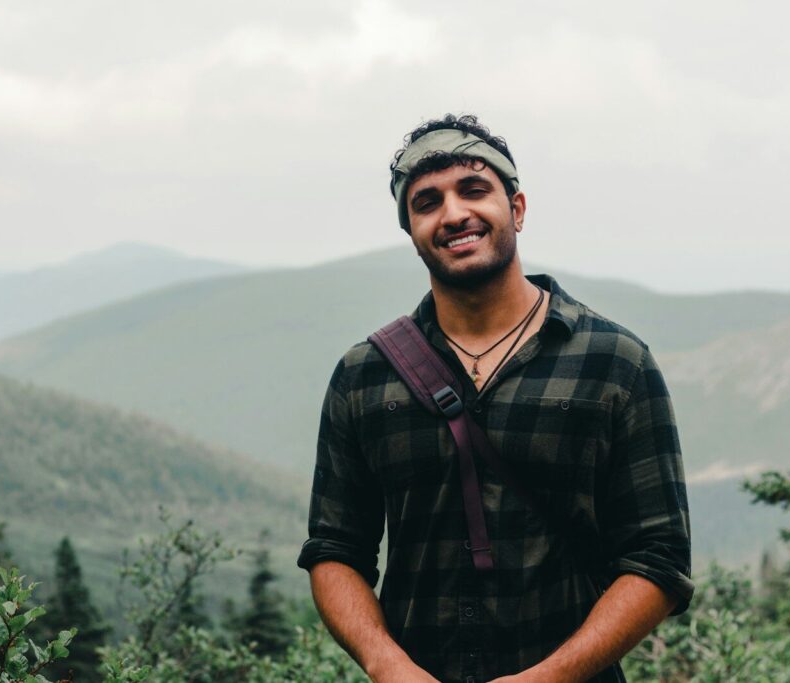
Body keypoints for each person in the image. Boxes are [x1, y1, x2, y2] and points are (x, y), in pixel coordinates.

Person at [297, 114, 693, 683]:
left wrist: (552, 676)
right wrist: (386, 664)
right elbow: (335, 549)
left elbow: (658, 556)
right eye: (427, 202)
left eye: (474, 190)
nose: (454, 213)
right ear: (410, 230)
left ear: (518, 209)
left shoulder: (615, 363)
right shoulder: (365, 375)